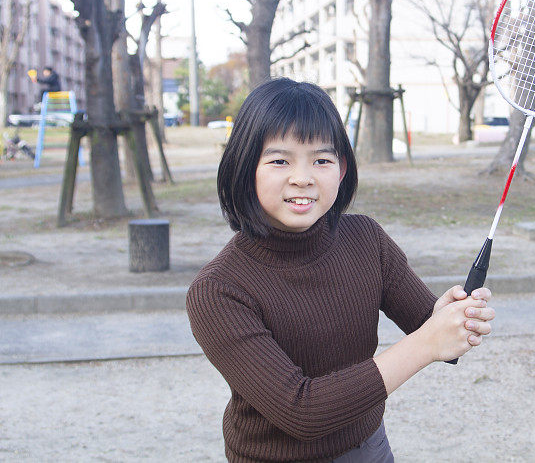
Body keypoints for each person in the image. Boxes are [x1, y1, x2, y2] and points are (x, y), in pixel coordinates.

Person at [186, 78, 495, 462]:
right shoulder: (218, 290)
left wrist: (452, 318)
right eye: (280, 160)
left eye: (321, 159)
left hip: (369, 448)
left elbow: (427, 326)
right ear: (245, 167)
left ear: (342, 168)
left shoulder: (366, 238)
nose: (303, 177)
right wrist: (428, 342)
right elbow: (302, 412)